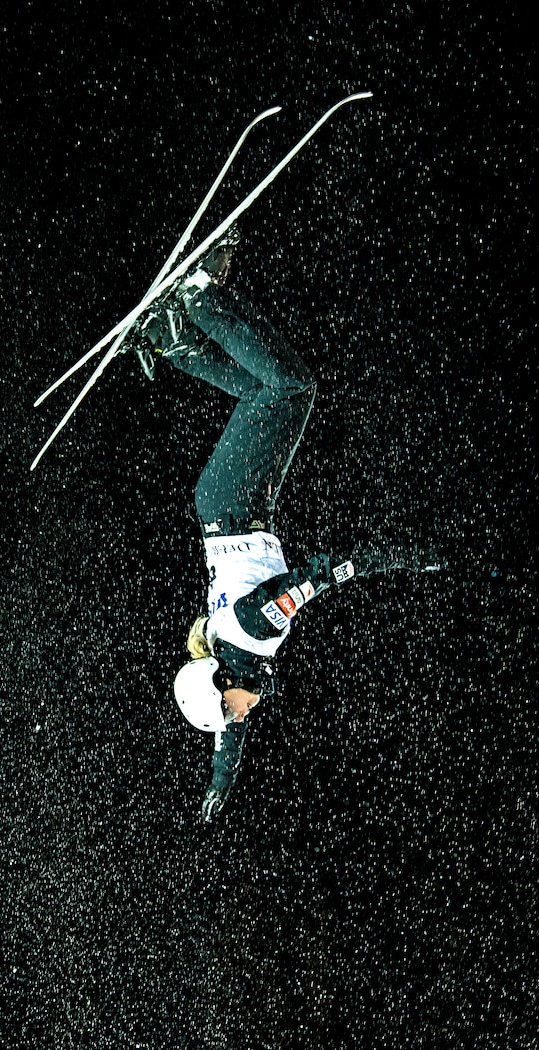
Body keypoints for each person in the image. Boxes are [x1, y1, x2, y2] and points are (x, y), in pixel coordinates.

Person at [137, 228, 442, 822]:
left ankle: (198, 296)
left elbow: (322, 573)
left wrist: (402, 559)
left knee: (293, 388)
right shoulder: (233, 655)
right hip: (234, 505)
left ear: (220, 681)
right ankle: (173, 340)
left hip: (235, 502)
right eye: (230, 717)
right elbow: (228, 735)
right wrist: (220, 783)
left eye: (229, 710)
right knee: (261, 392)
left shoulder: (256, 630)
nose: (238, 718)